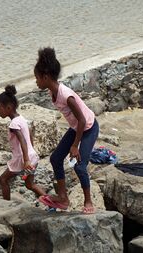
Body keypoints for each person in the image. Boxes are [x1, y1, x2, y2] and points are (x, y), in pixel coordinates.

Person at [34, 47, 99, 214]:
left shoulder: (65, 95)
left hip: (89, 128)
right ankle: (63, 198)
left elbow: (83, 120)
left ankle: (88, 200)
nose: (36, 82)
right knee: (56, 158)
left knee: (79, 165)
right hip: (77, 128)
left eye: (37, 78)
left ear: (46, 77)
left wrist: (75, 146)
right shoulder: (52, 92)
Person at [0, 85, 46, 200]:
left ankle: (6, 204)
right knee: (30, 185)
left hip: (22, 159)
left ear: (8, 108)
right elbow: (29, 134)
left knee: (3, 179)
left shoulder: (13, 124)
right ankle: (50, 202)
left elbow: (22, 139)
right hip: (32, 155)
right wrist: (31, 152)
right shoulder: (21, 119)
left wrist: (26, 160)